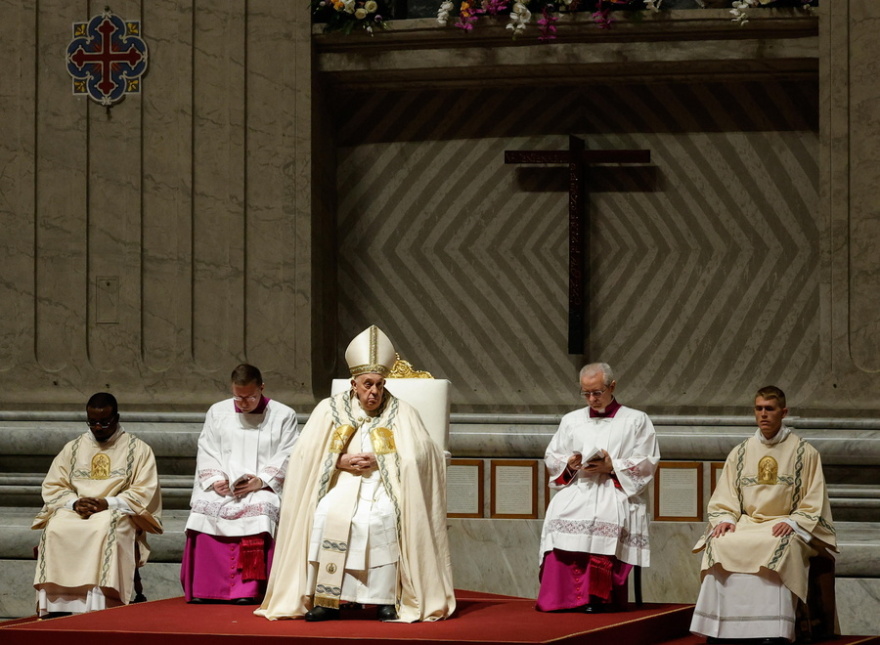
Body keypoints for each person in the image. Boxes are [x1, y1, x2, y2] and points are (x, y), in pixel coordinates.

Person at [255, 325, 455, 623]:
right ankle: (328, 600)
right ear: (353, 384)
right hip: (340, 482)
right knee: (326, 514)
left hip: (385, 485)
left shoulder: (401, 412)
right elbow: (303, 455)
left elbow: (425, 454)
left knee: (381, 518)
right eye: (367, 384)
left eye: (378, 384)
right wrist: (338, 460)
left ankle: (386, 600)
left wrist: (383, 459)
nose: (373, 391)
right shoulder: (329, 410)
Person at [690, 386, 838, 644]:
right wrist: (725, 519)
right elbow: (725, 496)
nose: (763, 415)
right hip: (747, 523)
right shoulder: (741, 452)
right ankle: (720, 630)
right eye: (759, 409)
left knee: (779, 544)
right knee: (719, 542)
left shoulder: (805, 452)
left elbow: (814, 501)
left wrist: (793, 521)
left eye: (769, 409)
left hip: (785, 524)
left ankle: (772, 630)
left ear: (784, 412)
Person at [537, 362, 659, 613]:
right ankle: (562, 598)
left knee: (602, 514)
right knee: (558, 510)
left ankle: (598, 597)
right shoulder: (571, 420)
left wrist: (611, 467)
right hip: (579, 486)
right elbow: (552, 457)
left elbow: (647, 461)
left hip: (615, 489)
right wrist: (569, 465)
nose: (591, 399)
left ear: (612, 386)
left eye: (597, 392)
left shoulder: (636, 420)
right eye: (586, 393)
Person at [32, 392, 163, 617]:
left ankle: (101, 602)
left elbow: (144, 491)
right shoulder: (73, 449)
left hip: (116, 510)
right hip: (76, 510)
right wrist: (74, 503)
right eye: (92, 422)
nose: (98, 427)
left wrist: (107, 503)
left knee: (104, 527)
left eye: (104, 422)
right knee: (55, 527)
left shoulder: (138, 449)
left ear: (117, 417)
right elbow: (54, 485)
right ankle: (56, 605)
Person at [181, 363, 299, 604]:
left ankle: (248, 590)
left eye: (250, 397)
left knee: (261, 510)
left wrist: (262, 480)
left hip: (261, 486)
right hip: (225, 486)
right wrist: (216, 479)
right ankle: (207, 587)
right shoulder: (218, 411)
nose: (243, 403)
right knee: (204, 511)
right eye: (238, 396)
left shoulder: (283, 415)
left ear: (262, 388)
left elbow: (289, 452)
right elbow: (207, 447)